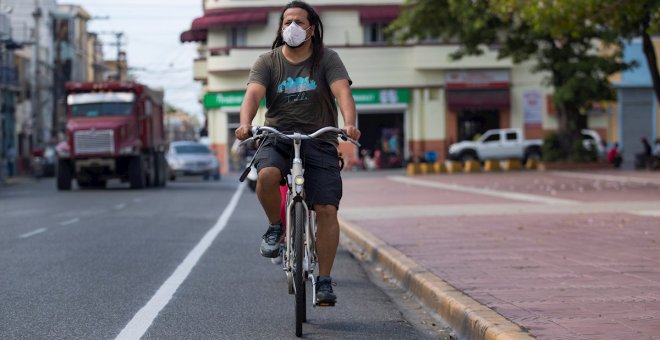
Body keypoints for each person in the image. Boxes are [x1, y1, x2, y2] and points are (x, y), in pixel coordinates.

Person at [234, 1, 360, 305]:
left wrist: (350, 124)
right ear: (281, 28)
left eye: (300, 22)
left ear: (312, 29)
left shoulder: (327, 59)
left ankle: (325, 281)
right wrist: (245, 124)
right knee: (266, 175)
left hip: (319, 139)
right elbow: (253, 94)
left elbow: (343, 91)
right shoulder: (267, 61)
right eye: (287, 21)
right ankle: (275, 228)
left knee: (327, 209)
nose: (293, 27)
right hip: (277, 137)